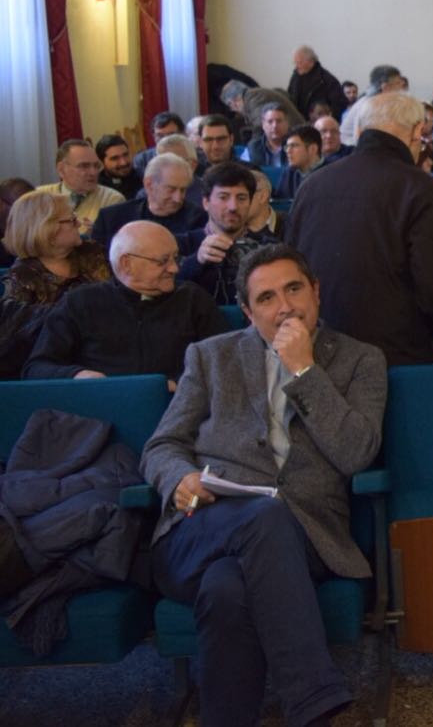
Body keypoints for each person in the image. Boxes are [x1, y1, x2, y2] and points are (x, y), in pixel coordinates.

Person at [140, 243, 384, 727]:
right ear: (249, 313)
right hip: (201, 528)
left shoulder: (361, 360)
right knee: (261, 519)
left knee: (227, 588)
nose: (285, 306)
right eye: (267, 298)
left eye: (294, 289)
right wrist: (180, 477)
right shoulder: (211, 357)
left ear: (316, 291)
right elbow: (160, 446)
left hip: (303, 537)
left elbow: (356, 453)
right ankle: (313, 701)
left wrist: (304, 371)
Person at [286, 93, 433, 366]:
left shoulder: (312, 185)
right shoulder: (423, 189)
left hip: (319, 349)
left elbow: (292, 265)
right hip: (395, 357)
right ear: (417, 132)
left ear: (359, 130)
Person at [25, 221, 226, 387]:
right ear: (126, 264)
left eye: (175, 258)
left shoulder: (193, 298)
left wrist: (183, 382)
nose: (174, 268)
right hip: (98, 417)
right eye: (162, 261)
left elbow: (224, 359)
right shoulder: (80, 302)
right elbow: (36, 368)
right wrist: (76, 375)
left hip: (178, 411)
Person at [1, 191, 112, 372]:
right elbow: (23, 336)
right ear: (46, 228)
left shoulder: (94, 253)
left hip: (108, 345)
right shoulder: (22, 275)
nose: (79, 224)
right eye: (71, 219)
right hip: (58, 358)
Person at [178, 163, 274, 305]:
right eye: (223, 197)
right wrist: (196, 261)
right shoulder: (181, 245)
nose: (233, 207)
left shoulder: (269, 246)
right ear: (205, 202)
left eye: (241, 198)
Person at [89, 152, 205, 246]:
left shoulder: (198, 219)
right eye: (171, 189)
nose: (178, 198)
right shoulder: (111, 218)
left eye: (183, 190)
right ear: (149, 185)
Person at [35, 139, 124, 235]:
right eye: (84, 166)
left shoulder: (112, 199)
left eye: (96, 166)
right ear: (61, 169)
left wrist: (98, 234)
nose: (93, 172)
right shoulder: (39, 196)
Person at [287, 44, 347, 120]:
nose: (296, 66)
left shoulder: (327, 80)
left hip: (318, 125)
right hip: (297, 122)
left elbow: (340, 105)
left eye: (299, 62)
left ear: (310, 61)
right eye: (295, 62)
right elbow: (289, 97)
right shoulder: (296, 76)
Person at [274, 124, 325, 199]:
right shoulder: (289, 173)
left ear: (313, 149)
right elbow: (280, 204)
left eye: (294, 146)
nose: (288, 151)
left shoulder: (331, 173)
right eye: (287, 147)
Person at [244, 103, 292, 168]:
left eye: (279, 121)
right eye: (270, 122)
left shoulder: (297, 145)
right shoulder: (253, 147)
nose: (275, 126)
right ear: (263, 125)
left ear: (287, 124)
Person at [95, 134, 142, 200]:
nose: (123, 163)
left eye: (126, 155)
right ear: (101, 162)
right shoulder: (96, 188)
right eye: (115, 158)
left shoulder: (143, 176)